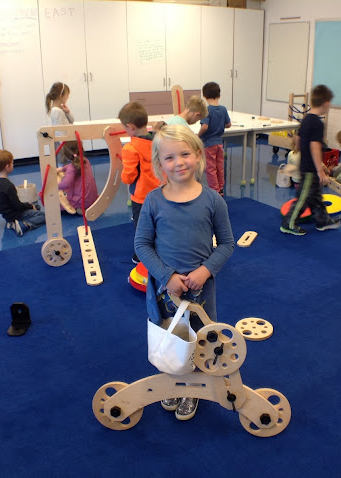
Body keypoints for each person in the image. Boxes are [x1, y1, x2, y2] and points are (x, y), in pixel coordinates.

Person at [134, 124, 234, 421]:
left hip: (201, 290)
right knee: (171, 337)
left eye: (185, 154)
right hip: (166, 290)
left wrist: (205, 271)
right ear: (159, 163)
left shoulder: (213, 201)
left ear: (198, 155)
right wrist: (166, 276)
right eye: (169, 157)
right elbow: (141, 244)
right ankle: (173, 383)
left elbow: (227, 244)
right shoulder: (153, 201)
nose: (178, 162)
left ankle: (193, 389)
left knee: (199, 339)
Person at [280, 85, 341, 235]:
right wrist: (320, 170)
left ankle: (323, 221)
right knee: (304, 197)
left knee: (315, 196)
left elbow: (298, 138)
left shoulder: (306, 119)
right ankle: (289, 223)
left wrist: (299, 151)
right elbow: (315, 147)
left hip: (306, 165)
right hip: (310, 168)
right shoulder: (318, 123)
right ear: (326, 103)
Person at [118, 101, 161, 263]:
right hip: (161, 192)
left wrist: (123, 176)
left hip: (141, 197)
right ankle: (160, 250)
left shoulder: (130, 148)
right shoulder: (158, 141)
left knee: (142, 227)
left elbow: (128, 177)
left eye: (124, 127)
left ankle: (142, 255)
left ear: (130, 127)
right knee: (159, 223)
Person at [0, 150, 46, 236]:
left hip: (6, 215)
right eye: (12, 163)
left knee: (36, 206)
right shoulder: (8, 185)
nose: (13, 165)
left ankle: (12, 222)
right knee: (44, 216)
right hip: (15, 214)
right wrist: (30, 206)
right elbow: (17, 206)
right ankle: (25, 225)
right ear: (7, 166)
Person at [199, 82, 232, 195]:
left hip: (208, 144)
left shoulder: (206, 110)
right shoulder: (223, 109)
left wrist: (198, 136)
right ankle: (221, 188)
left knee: (210, 168)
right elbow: (228, 125)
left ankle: (214, 190)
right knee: (219, 166)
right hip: (219, 143)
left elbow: (204, 127)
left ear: (205, 96)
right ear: (219, 95)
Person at [57, 141, 98, 214]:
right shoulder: (86, 161)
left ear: (66, 155)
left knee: (57, 205)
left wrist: (55, 187)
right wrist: (62, 169)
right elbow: (71, 167)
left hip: (81, 200)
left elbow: (66, 183)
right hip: (92, 197)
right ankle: (85, 206)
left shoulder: (71, 167)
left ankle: (80, 208)